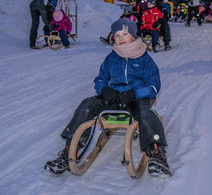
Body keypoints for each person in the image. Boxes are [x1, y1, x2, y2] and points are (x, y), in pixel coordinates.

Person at [45, 18, 172, 178]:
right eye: (117, 35)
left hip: (135, 98)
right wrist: (104, 90)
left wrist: (134, 93)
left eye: (125, 34)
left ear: (133, 35)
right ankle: (69, 151)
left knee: (145, 112)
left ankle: (157, 154)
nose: (121, 38)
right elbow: (100, 79)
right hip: (114, 97)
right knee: (87, 105)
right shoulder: (111, 58)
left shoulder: (144, 59)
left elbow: (154, 86)